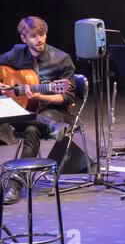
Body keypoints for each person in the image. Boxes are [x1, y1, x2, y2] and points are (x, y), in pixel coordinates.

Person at [0, 16, 75, 205]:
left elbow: (67, 97)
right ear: (24, 39)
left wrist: (39, 96)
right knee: (26, 122)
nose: (39, 40)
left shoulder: (61, 59)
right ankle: (51, 126)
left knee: (31, 130)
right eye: (33, 36)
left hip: (54, 110)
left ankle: (15, 184)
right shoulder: (17, 54)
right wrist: (3, 85)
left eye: (42, 34)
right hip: (25, 111)